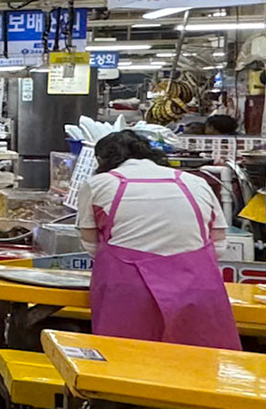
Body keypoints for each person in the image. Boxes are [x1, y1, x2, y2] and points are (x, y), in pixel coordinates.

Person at [78, 131, 239, 349]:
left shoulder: (98, 184)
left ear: (101, 160)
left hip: (128, 291)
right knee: (200, 367)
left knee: (126, 365)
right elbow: (218, 243)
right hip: (197, 288)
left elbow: (91, 245)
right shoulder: (195, 182)